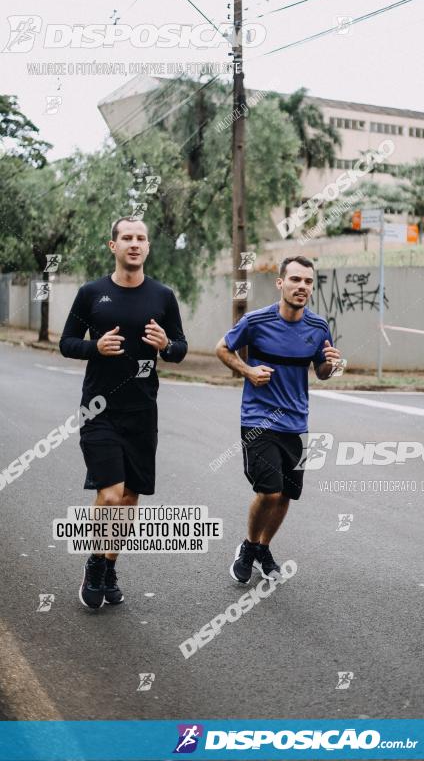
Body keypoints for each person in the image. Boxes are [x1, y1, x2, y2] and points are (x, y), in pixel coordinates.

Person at [60, 217, 187, 609]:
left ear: (148, 247)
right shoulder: (91, 293)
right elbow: (67, 342)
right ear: (112, 245)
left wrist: (167, 344)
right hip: (99, 408)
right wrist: (94, 348)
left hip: (142, 414)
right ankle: (96, 565)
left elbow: (180, 348)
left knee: (130, 497)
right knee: (111, 496)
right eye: (127, 238)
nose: (135, 244)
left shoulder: (163, 296)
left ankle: (109, 563)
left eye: (141, 238)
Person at [215, 256, 342, 584]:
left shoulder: (318, 327)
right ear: (280, 283)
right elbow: (223, 349)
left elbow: (322, 373)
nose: (302, 287)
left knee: (286, 494)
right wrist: (248, 371)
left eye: (308, 282)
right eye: (296, 280)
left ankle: (262, 548)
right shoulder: (256, 322)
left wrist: (331, 364)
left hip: (297, 424)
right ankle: (248, 546)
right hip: (259, 420)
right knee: (270, 492)